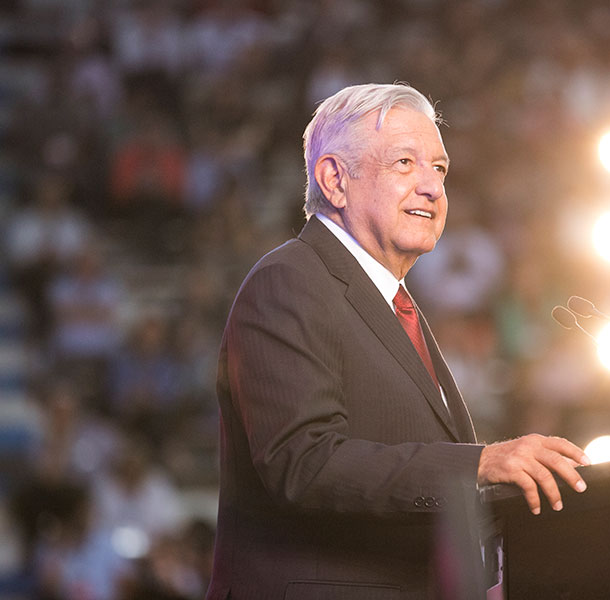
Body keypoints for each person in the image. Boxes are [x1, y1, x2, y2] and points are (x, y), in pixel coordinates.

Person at [206, 83, 590, 600]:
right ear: (335, 180)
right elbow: (305, 463)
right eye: (405, 163)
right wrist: (477, 465)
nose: (432, 186)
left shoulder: (391, 303)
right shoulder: (289, 281)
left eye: (440, 168)